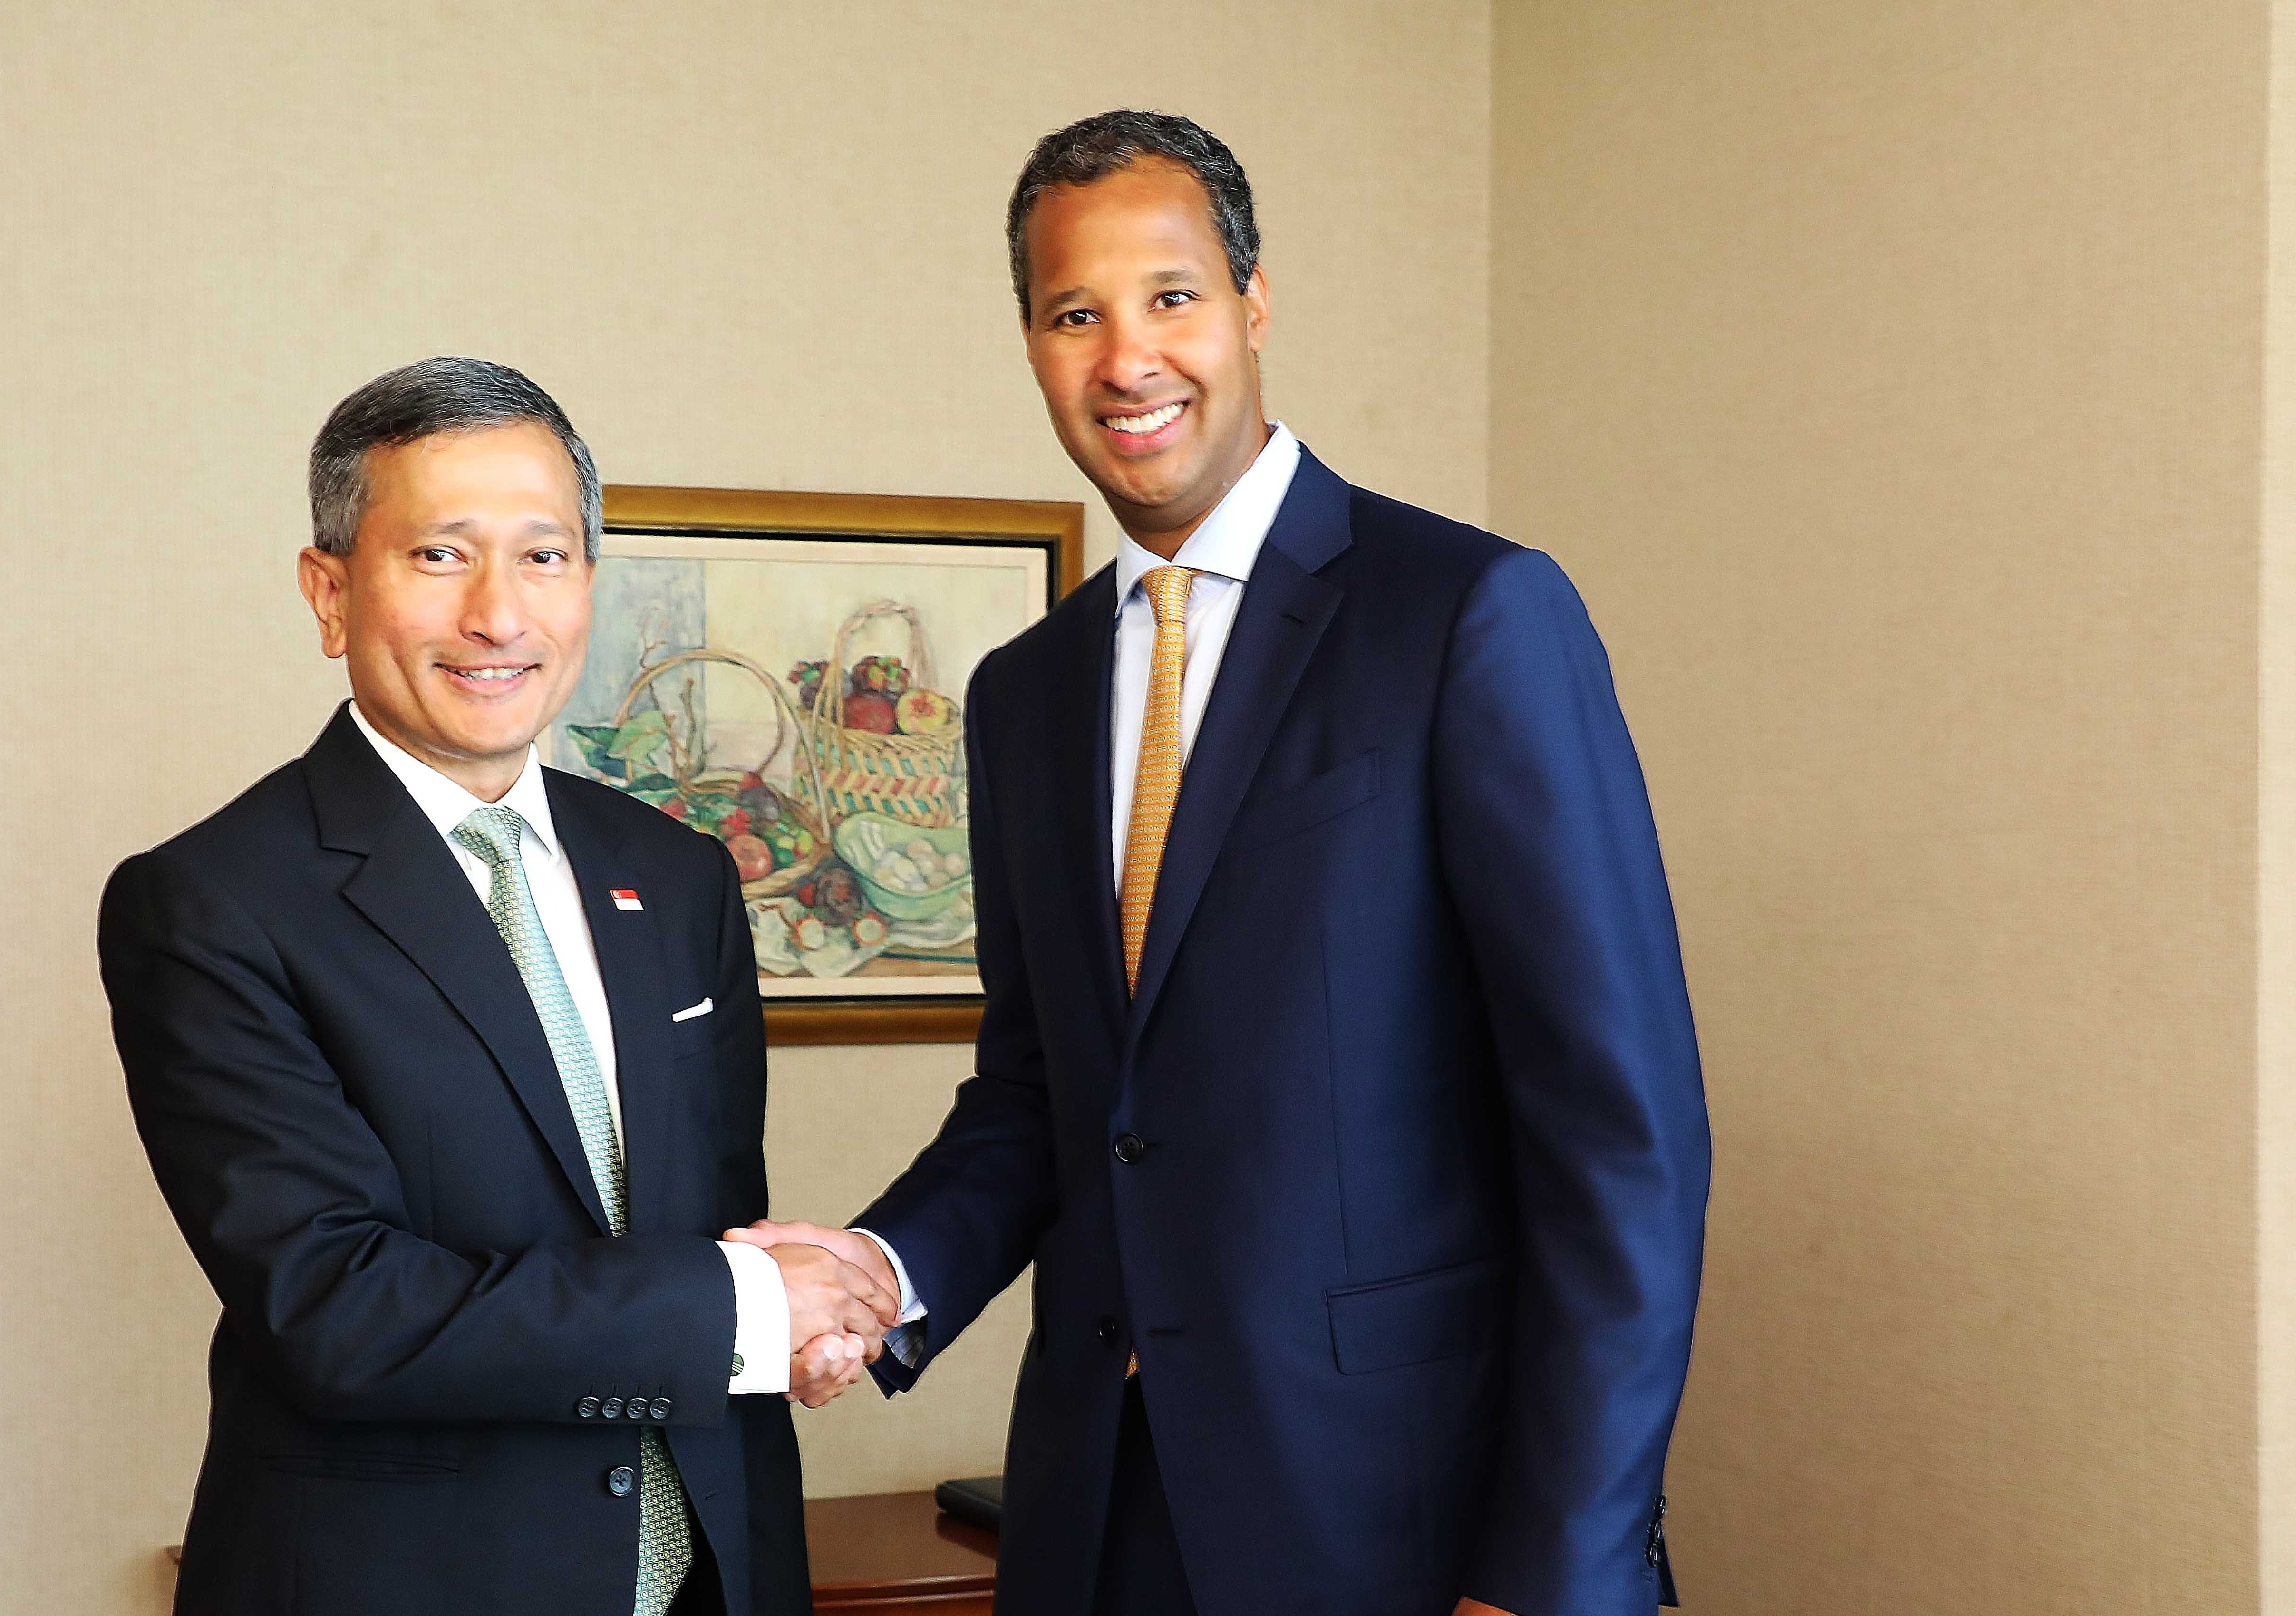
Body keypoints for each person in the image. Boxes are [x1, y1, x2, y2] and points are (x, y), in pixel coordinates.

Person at [730, 112, 1712, 1616]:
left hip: (1403, 1528)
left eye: (1171, 297)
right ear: (1033, 344)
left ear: (1254, 303)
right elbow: (1046, 1095)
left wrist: (1557, 1571)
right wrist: (884, 1269)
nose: (1128, 359)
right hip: (1096, 1519)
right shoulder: (1023, 694)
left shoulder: (1469, 615)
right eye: (1075, 315)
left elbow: (1621, 1138)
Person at [99, 356, 894, 1616]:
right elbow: (339, 1308)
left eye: (544, 556)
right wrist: (743, 1309)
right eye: (439, 556)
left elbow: (704, 1232)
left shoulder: (677, 875)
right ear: (329, 592)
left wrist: (791, 1322)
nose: (499, 615)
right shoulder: (211, 903)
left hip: (710, 1572)